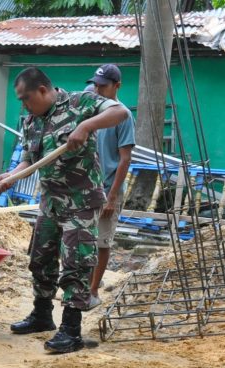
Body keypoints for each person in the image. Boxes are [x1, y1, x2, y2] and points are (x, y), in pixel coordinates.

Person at [0, 67, 129, 353]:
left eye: (26, 98)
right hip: (50, 202)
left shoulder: (82, 103)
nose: (23, 104)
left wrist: (86, 126)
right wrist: (9, 177)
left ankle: (71, 330)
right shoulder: (32, 121)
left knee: (76, 264)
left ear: (43, 90)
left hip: (80, 203)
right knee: (40, 258)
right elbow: (29, 161)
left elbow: (121, 113)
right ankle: (42, 315)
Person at [86, 64, 135, 308]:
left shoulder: (123, 115)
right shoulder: (92, 111)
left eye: (103, 86)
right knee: (83, 239)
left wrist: (112, 196)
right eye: (96, 85)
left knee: (102, 242)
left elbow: (125, 159)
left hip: (107, 188)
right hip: (87, 188)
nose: (98, 89)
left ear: (117, 86)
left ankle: (93, 291)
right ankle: (86, 284)